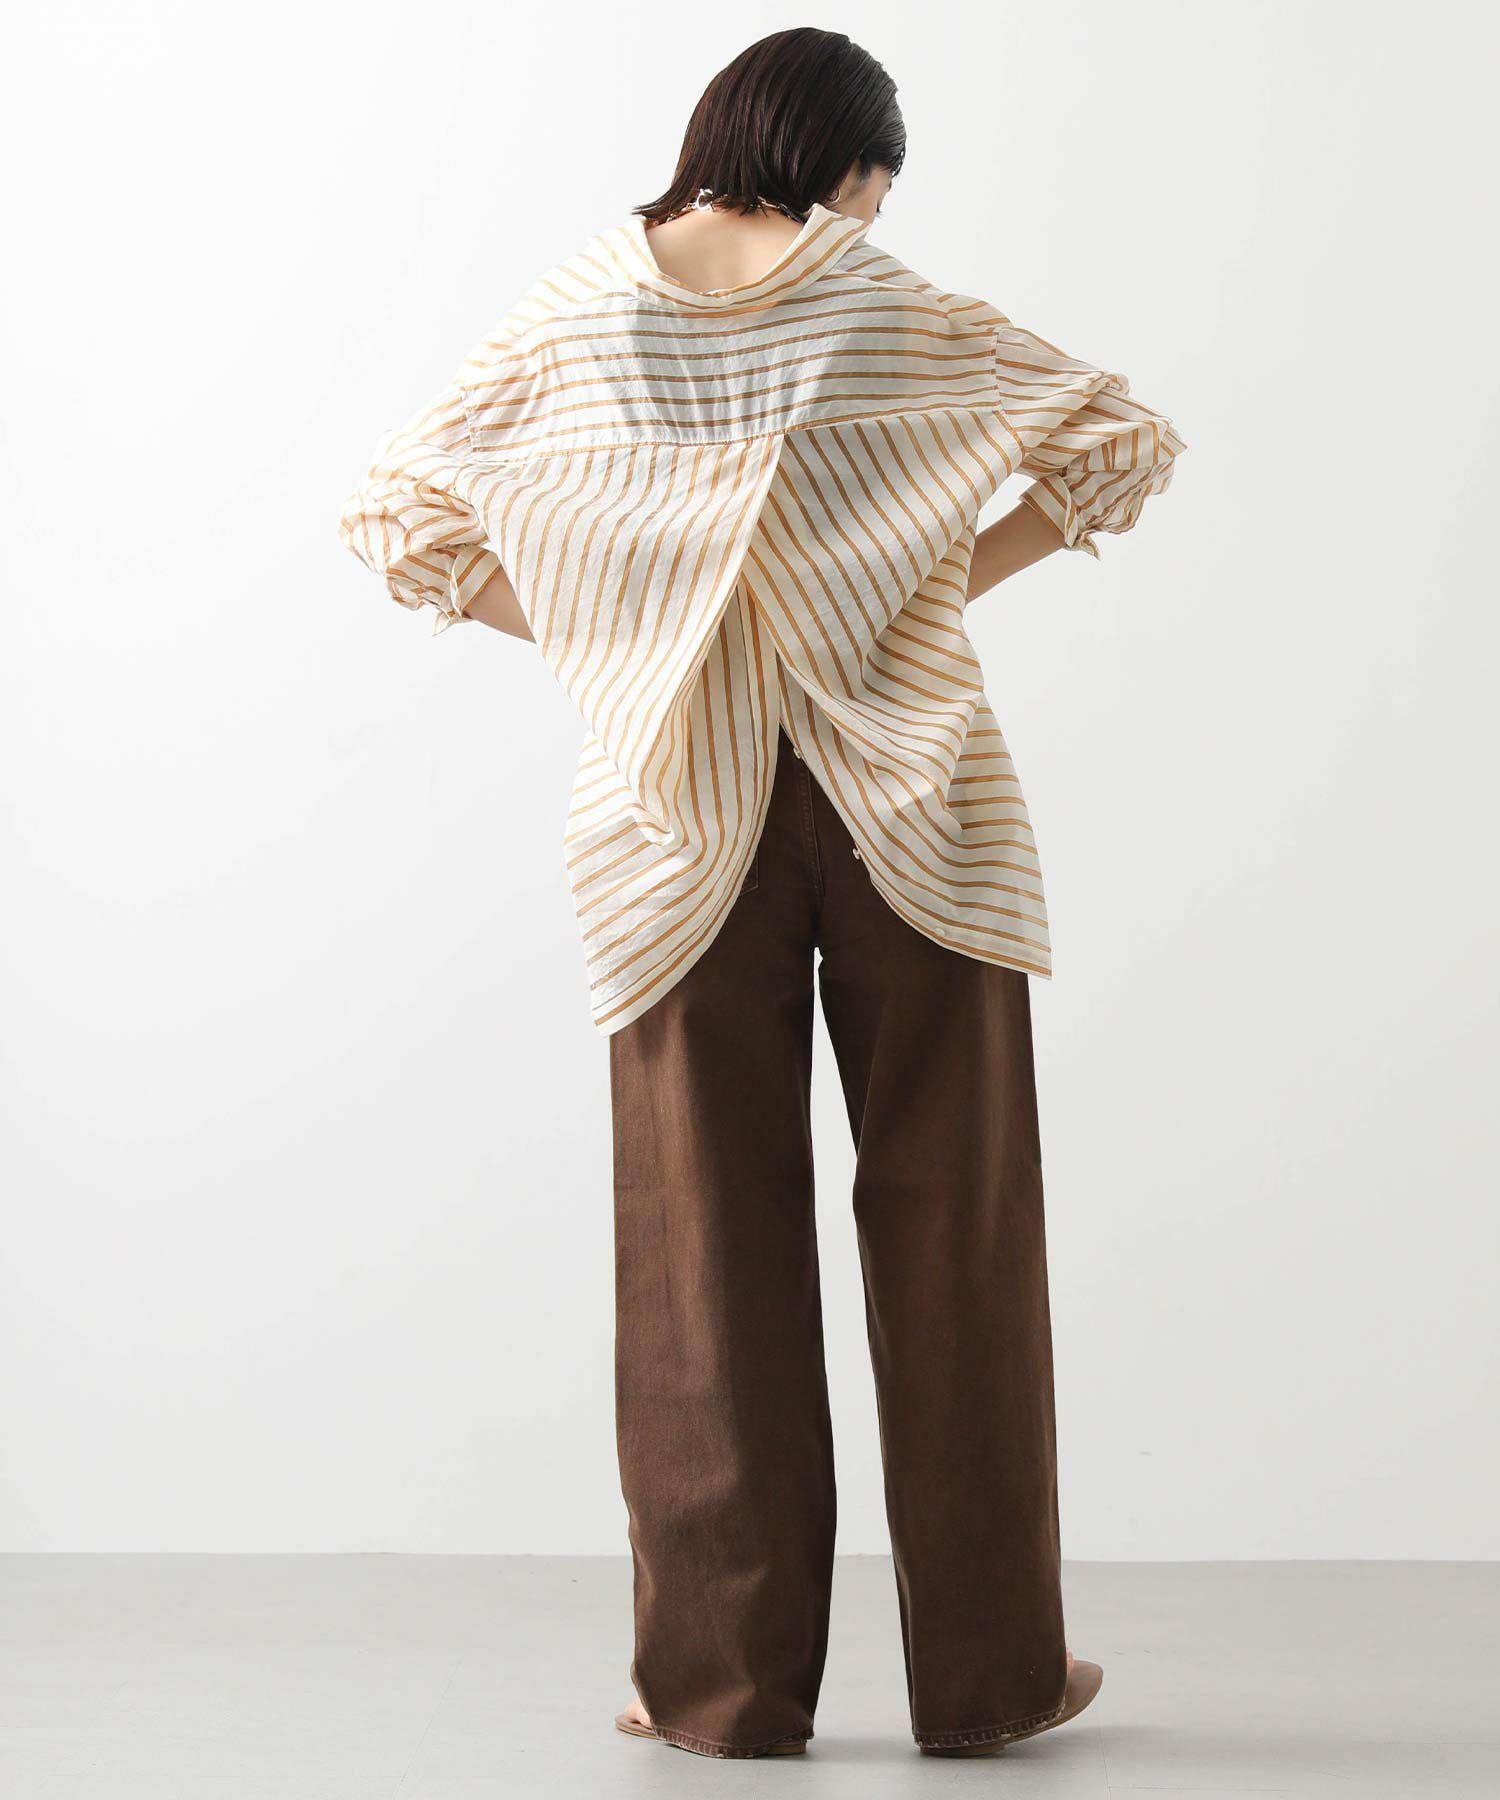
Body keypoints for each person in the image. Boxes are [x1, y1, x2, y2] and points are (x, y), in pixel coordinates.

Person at [338, 25, 1184, 1762]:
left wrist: (622, 634)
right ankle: (992, 1680)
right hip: (916, 813)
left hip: (673, 823)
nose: (872, 216)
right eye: (877, 185)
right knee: (959, 1234)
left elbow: (398, 520)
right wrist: (928, 579)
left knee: (697, 1257)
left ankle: (716, 1691)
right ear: (847, 163)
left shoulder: (582, 308)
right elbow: (1120, 441)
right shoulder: (872, 293)